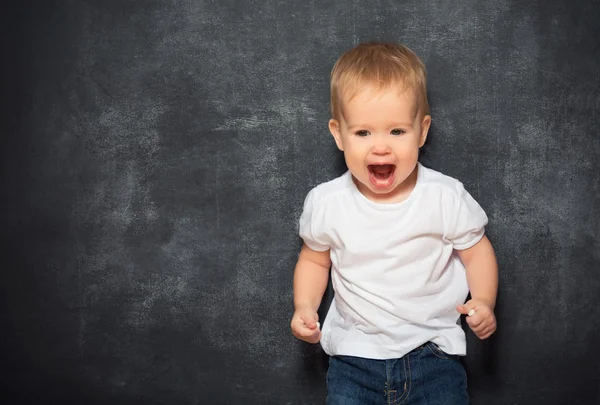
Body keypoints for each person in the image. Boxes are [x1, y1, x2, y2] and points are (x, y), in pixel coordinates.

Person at [290, 42, 498, 405]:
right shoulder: (327, 201)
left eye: (397, 132)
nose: (381, 148)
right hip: (354, 358)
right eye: (363, 133)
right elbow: (314, 259)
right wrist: (304, 306)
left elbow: (477, 253)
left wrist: (483, 299)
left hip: (433, 354)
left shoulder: (444, 196)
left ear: (422, 130)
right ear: (339, 134)